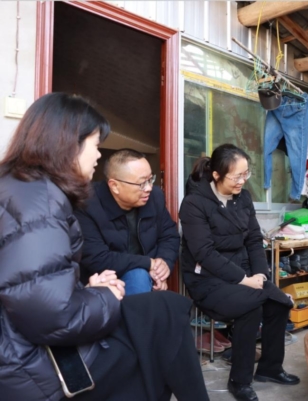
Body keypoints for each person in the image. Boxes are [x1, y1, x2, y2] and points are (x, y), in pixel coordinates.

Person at [0, 93, 209, 401]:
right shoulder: (41, 203)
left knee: (163, 315)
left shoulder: (23, 189)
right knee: (162, 324)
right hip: (33, 365)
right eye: (95, 145)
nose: (98, 156)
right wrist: (106, 294)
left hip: (27, 345)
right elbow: (55, 317)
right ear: (68, 144)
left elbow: (36, 289)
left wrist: (90, 289)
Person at [180, 143, 300, 401]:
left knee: (278, 305)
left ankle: (270, 368)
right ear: (216, 175)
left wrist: (261, 275)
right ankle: (240, 381)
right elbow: (204, 253)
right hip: (208, 280)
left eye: (246, 174)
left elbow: (254, 240)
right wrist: (245, 280)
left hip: (244, 274)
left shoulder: (242, 198)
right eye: (236, 176)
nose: (242, 181)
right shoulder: (193, 204)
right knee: (253, 306)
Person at [75, 148, 179, 295]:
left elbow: (169, 235)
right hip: (104, 281)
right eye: (142, 183)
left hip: (147, 275)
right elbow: (97, 258)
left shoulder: (155, 197)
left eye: (151, 179)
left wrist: (162, 264)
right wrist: (148, 263)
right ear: (115, 186)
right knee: (138, 275)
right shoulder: (86, 204)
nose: (149, 188)